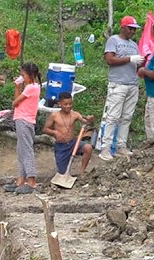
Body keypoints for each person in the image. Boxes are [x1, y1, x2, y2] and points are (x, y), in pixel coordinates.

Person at [97, 16, 146, 160]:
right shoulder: (114, 40)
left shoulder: (134, 45)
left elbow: (136, 66)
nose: (132, 31)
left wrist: (141, 62)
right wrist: (130, 59)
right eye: (130, 28)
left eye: (134, 29)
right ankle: (105, 148)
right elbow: (110, 60)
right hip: (118, 83)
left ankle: (121, 146)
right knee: (113, 116)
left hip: (132, 83)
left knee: (126, 117)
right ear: (123, 27)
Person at [5, 62, 42, 195]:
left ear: (31, 75)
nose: (22, 77)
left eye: (23, 75)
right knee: (21, 150)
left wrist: (17, 87)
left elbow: (15, 102)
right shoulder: (33, 87)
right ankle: (20, 180)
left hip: (24, 120)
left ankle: (31, 181)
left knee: (26, 150)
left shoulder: (31, 88)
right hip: (24, 120)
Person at [43, 91, 94, 175]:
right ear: (60, 104)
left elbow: (87, 123)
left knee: (88, 148)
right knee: (62, 172)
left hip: (73, 143)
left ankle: (82, 172)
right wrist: (55, 132)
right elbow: (45, 129)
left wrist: (90, 120)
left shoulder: (75, 114)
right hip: (61, 146)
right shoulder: (54, 116)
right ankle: (64, 173)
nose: (68, 106)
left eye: (70, 104)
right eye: (65, 104)